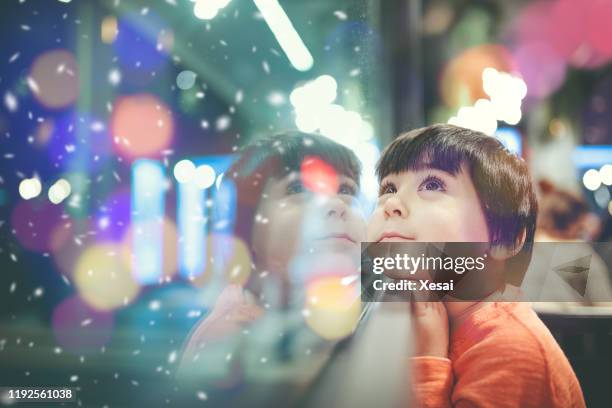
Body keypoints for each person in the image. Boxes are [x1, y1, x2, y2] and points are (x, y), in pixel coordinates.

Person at [367, 124, 585, 407]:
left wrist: (429, 361)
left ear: (503, 240)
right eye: (389, 188)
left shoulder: (511, 350)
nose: (392, 203)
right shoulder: (432, 312)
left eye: (432, 184)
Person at [177, 131, 366, 405]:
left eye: (346, 190)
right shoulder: (231, 336)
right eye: (299, 189)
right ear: (249, 225)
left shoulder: (365, 301)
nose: (336, 205)